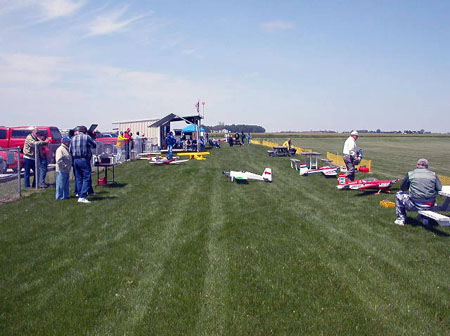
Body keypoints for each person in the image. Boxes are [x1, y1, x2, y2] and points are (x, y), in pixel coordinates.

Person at [394, 158, 442, 226]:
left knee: (399, 194)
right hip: (430, 204)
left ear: (417, 165)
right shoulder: (433, 174)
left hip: (415, 204)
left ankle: (400, 219)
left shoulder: (411, 174)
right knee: (426, 200)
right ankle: (425, 219)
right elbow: (439, 188)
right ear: (427, 166)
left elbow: (403, 188)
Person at [70, 125, 96, 204]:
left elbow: (70, 149)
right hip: (84, 159)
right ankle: (83, 196)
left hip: (75, 160)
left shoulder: (73, 138)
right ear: (85, 131)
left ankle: (79, 193)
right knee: (86, 177)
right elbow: (94, 145)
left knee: (78, 178)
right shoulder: (86, 137)